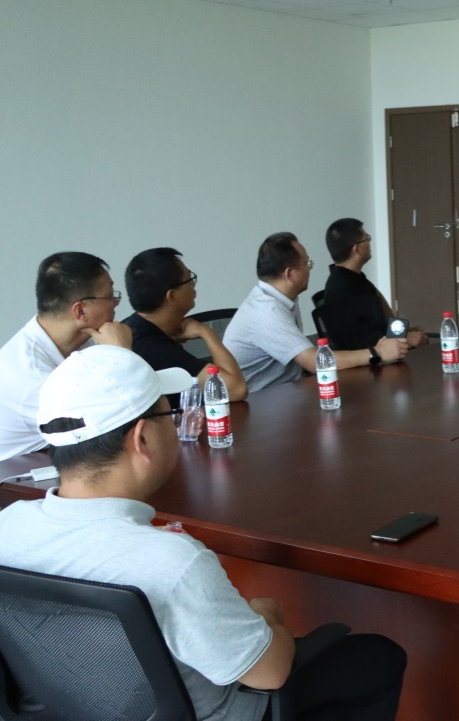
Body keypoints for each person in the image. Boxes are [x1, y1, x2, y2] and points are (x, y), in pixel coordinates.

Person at [0, 345, 406, 720]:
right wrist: (265, 616)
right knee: (377, 657)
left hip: (72, 708)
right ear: (142, 438)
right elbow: (270, 673)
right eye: (169, 415)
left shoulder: (8, 526)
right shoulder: (171, 561)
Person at [223, 233, 408, 393]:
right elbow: (315, 362)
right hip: (261, 405)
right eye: (307, 264)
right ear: (290, 274)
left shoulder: (280, 298)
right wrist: (378, 352)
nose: (310, 269)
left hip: (288, 391)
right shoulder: (267, 313)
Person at [0, 252, 132, 461]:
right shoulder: (32, 377)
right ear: (80, 311)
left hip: (61, 459)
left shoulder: (81, 338)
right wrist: (122, 357)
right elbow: (118, 422)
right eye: (110, 296)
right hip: (19, 475)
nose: (116, 302)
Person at [122, 247, 247, 405]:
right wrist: (206, 332)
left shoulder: (133, 327)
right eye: (189, 279)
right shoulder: (153, 348)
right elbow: (236, 389)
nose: (194, 285)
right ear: (172, 296)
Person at [321, 218, 426, 350]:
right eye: (367, 238)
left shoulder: (355, 278)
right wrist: (404, 339)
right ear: (357, 249)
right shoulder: (341, 288)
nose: (370, 243)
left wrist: (404, 333)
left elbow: (385, 317)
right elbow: (360, 342)